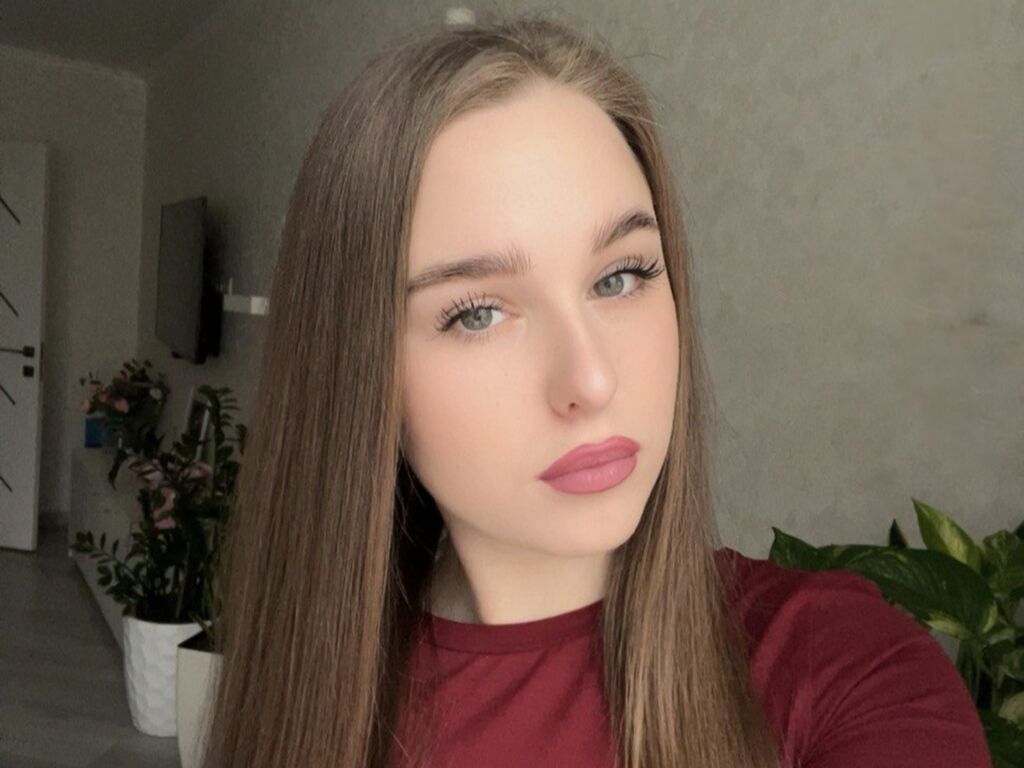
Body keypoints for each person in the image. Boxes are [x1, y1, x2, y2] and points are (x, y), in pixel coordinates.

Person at [201, 11, 992, 768]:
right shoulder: (306, 690)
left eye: (621, 276)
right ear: (359, 367)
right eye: (477, 313)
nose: (591, 379)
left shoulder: (845, 670)